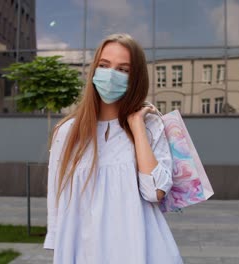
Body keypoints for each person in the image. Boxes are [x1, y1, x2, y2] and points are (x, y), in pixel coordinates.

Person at [44, 33, 183, 264]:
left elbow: (154, 192)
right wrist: (57, 243)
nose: (111, 75)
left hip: (140, 248)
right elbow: (56, 197)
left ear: (135, 77)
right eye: (104, 65)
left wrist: (136, 125)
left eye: (123, 69)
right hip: (83, 247)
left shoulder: (151, 126)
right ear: (94, 70)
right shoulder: (68, 132)